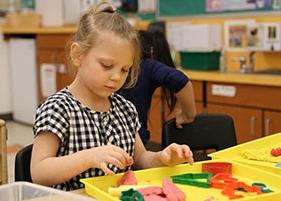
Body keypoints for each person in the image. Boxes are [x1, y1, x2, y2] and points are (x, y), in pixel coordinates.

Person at [30, 2, 193, 191]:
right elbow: (39, 172)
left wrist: (162, 158)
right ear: (78, 55)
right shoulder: (58, 109)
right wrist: (89, 158)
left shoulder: (125, 108)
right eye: (106, 65)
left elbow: (139, 159)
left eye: (125, 69)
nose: (116, 77)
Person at [119, 30, 197, 144]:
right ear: (151, 51)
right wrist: (188, 115)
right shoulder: (146, 65)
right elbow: (181, 81)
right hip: (132, 141)